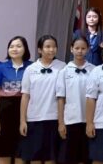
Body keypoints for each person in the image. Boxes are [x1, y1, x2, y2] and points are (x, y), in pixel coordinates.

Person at [18, 35, 65, 164]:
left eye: (54, 47)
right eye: (47, 47)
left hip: (54, 118)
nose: (51, 49)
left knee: (51, 157)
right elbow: (25, 96)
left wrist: (61, 122)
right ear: (39, 50)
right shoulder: (30, 69)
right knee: (35, 158)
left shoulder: (62, 67)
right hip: (34, 118)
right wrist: (23, 121)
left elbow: (63, 96)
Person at [0, 36, 32, 164]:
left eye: (18, 46)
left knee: (21, 153)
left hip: (26, 112)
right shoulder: (0, 68)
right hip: (5, 113)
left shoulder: (32, 67)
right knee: (4, 152)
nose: (15, 49)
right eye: (11, 46)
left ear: (25, 49)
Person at [56, 35, 96, 164]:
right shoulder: (64, 71)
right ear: (71, 49)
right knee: (70, 157)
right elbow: (61, 98)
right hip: (71, 120)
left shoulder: (94, 70)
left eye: (83, 48)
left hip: (89, 120)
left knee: (86, 156)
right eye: (77, 48)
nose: (80, 51)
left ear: (88, 49)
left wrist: (92, 121)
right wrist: (61, 123)